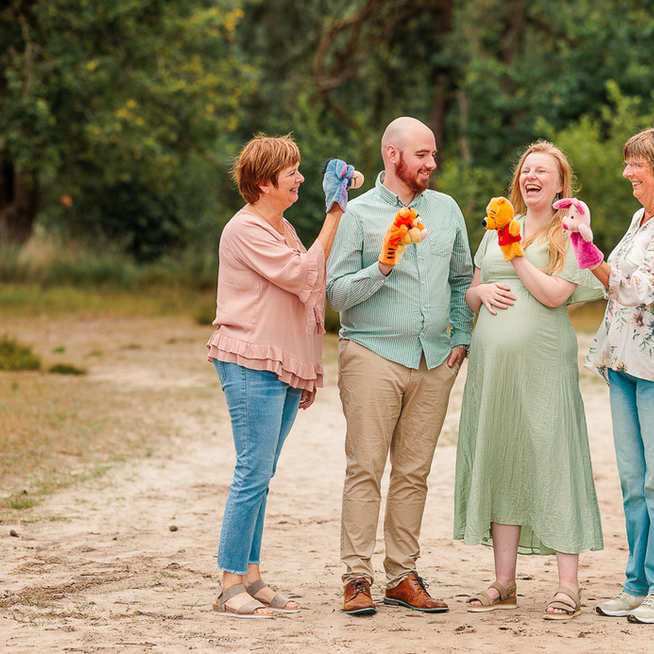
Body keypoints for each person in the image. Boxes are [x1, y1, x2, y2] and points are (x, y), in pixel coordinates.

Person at [326, 116, 475, 616]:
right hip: (372, 353)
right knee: (365, 468)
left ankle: (402, 576)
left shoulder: (447, 210)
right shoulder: (357, 214)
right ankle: (356, 577)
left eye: (433, 154)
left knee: (414, 473)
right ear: (393, 155)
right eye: (422, 155)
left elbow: (461, 278)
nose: (431, 163)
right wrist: (383, 264)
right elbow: (335, 293)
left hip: (434, 360)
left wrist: (462, 337)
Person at [207, 134, 358, 618]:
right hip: (250, 361)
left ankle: (251, 577)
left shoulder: (284, 228)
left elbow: (308, 299)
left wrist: (307, 371)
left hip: (282, 366)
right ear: (263, 182)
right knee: (252, 471)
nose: (300, 179)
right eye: (291, 172)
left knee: (263, 474)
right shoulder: (245, 229)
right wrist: (334, 213)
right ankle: (229, 583)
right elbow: (302, 276)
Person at [454, 141, 605, 620]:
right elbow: (471, 293)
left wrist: (516, 257)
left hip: (543, 362)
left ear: (560, 184)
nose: (531, 176)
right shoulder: (500, 226)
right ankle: (504, 582)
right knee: (502, 456)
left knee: (552, 454)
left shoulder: (569, 232)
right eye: (526, 169)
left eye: (542, 171)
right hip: (492, 367)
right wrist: (481, 291)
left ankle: (567, 585)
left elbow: (556, 295)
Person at [576, 128, 654, 624]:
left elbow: (635, 289)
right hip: (626, 364)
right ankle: (637, 586)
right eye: (627, 163)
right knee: (634, 483)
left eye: (636, 164)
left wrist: (589, 250)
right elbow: (613, 279)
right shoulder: (640, 218)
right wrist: (583, 242)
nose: (627, 172)